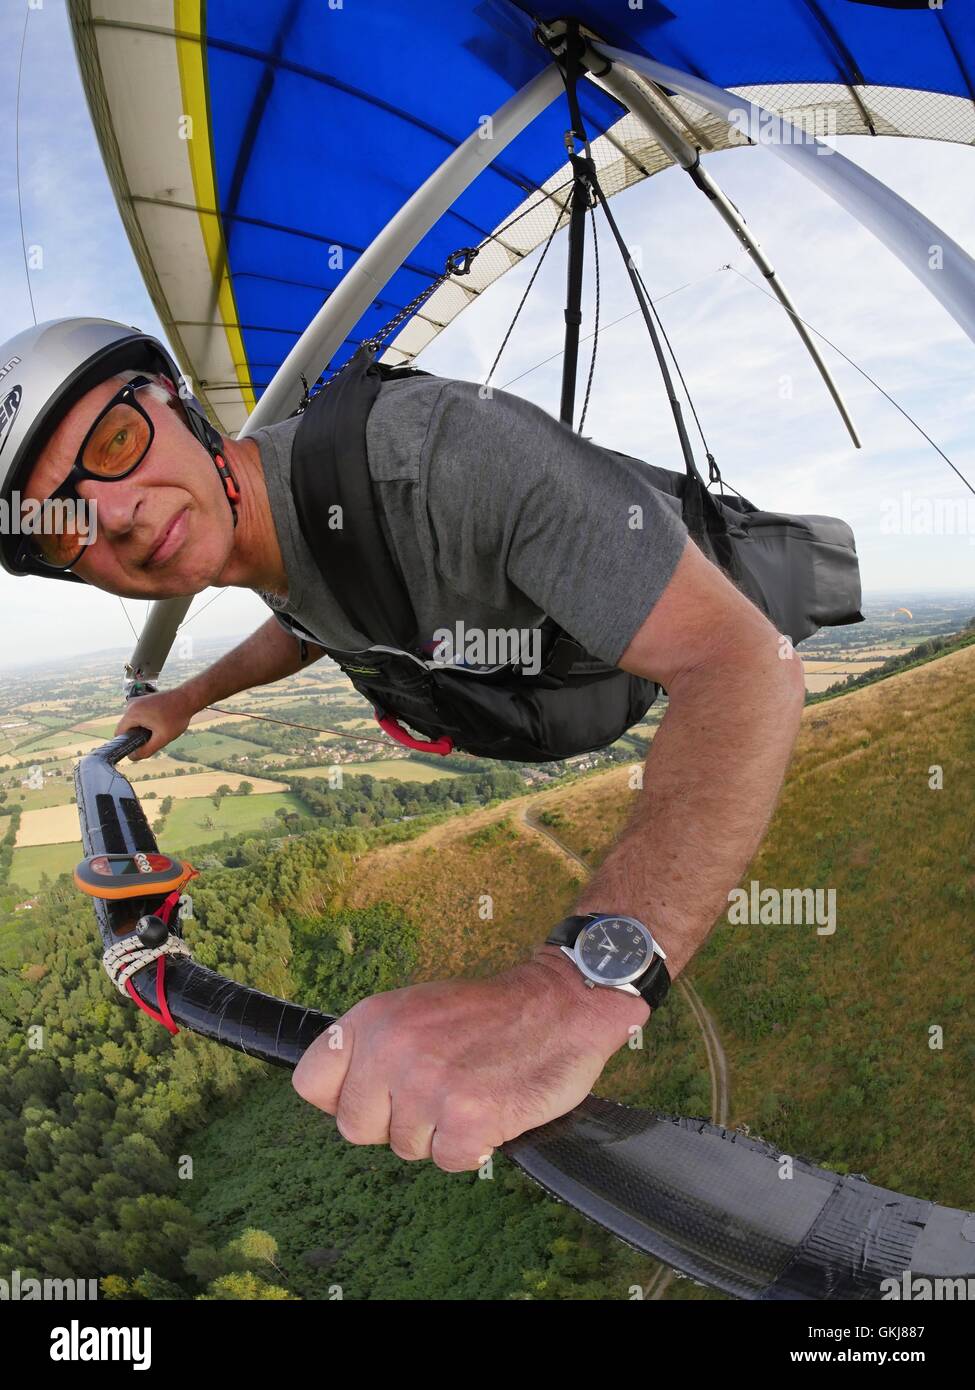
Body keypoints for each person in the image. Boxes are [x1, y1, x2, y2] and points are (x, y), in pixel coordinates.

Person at [0, 317, 805, 1172]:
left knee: (789, 602)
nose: (114, 515)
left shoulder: (446, 455)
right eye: (62, 527)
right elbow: (309, 620)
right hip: (528, 703)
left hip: (650, 650)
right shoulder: (269, 530)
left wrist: (571, 994)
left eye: (118, 439)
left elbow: (746, 665)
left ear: (184, 407)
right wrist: (191, 697)